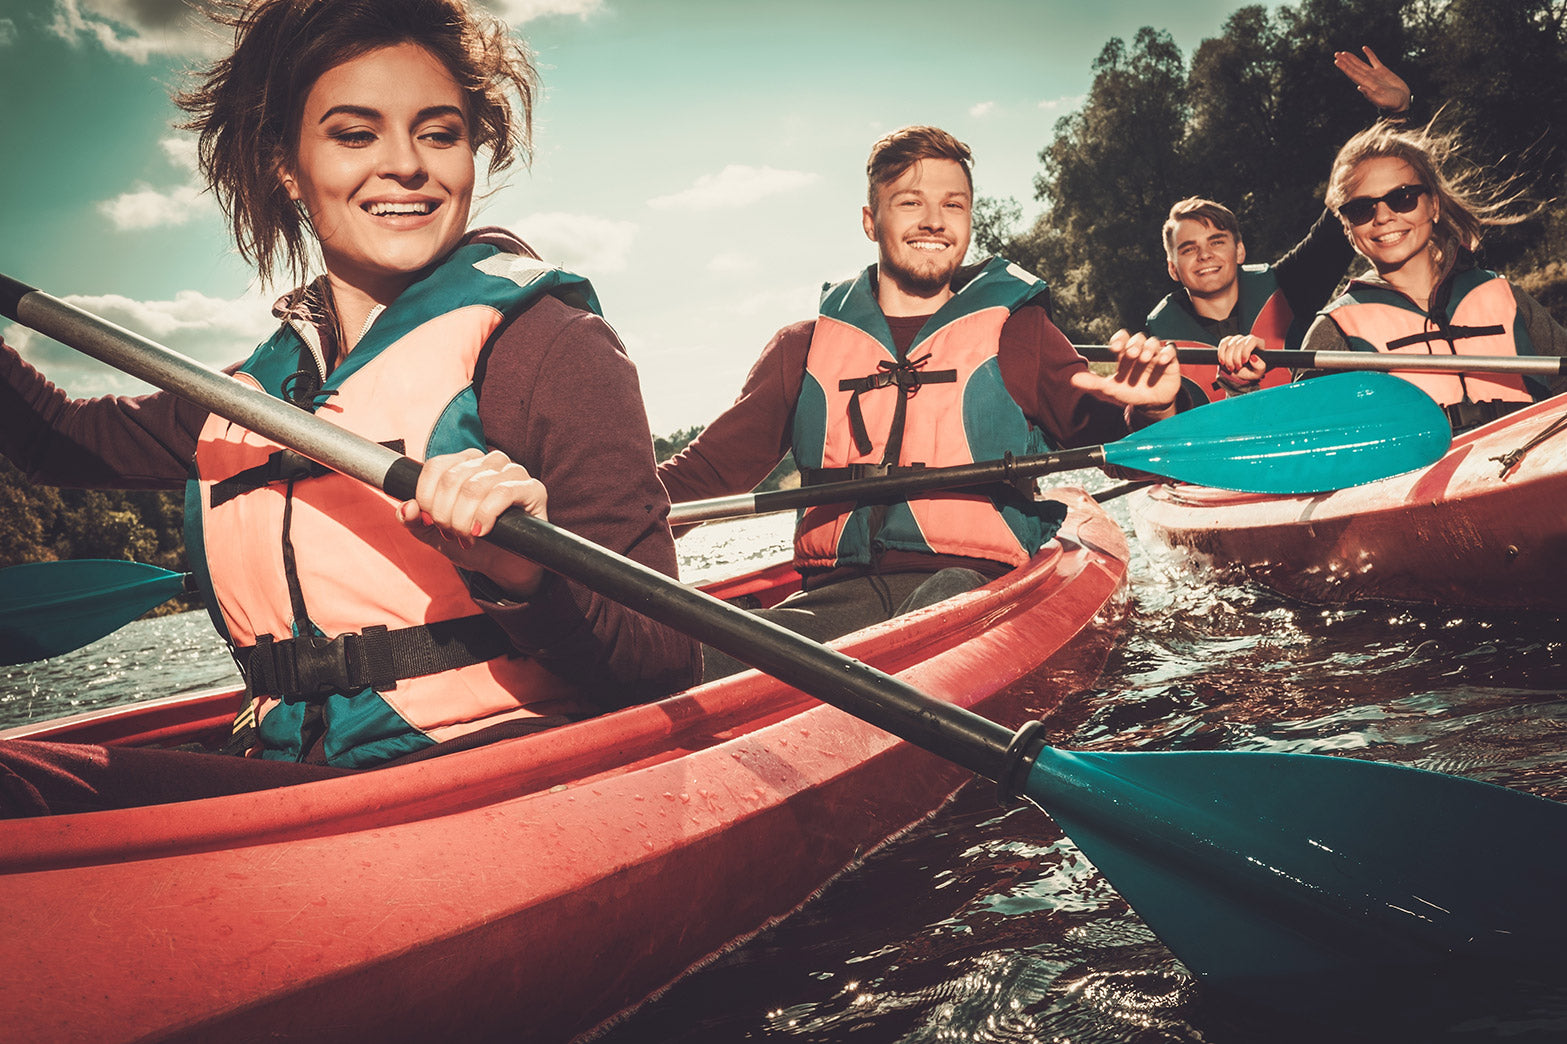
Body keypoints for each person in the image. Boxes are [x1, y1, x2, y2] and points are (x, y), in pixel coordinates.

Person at [0, 0, 698, 813]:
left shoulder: (550, 347)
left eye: (438, 132)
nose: (406, 165)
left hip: (494, 775)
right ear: (285, 165)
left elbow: (663, 660)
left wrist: (521, 573)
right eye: (355, 134)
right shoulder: (250, 393)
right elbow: (60, 442)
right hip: (302, 780)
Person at [658, 126, 1181, 680]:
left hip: (981, 590)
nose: (934, 220)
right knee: (690, 668)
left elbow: (1130, 453)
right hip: (840, 601)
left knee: (945, 597)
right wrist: (587, 514)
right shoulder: (802, 349)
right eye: (911, 203)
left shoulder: (1017, 336)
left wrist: (1151, 412)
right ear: (870, 221)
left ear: (969, 220)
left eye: (953, 204)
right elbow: (700, 476)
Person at [1146, 48, 1412, 399]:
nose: (1205, 255)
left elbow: (1345, 209)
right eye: (1189, 248)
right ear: (1172, 268)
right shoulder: (1158, 342)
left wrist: (1397, 114)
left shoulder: (1289, 287)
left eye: (1216, 241)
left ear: (1239, 250)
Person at [1299, 120, 1567, 429]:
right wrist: (1244, 383)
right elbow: (1312, 444)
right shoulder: (1333, 332)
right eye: (1361, 209)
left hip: (1528, 460)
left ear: (1434, 206)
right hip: (1418, 474)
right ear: (1347, 228)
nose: (1384, 216)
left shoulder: (1505, 296)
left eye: (1402, 198)